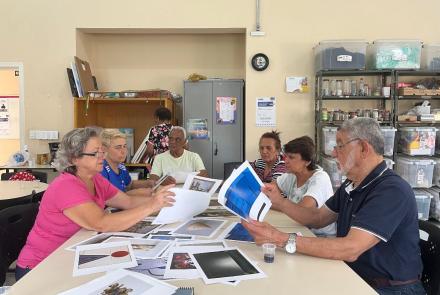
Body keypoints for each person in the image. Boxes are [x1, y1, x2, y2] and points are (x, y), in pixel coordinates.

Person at [243, 118, 425, 295]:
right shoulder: (351, 184)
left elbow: (350, 248)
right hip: (354, 274)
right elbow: (317, 218)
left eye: (340, 145)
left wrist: (278, 238)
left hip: (390, 288)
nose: (333, 153)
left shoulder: (391, 190)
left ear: (363, 148)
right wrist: (281, 202)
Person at [15, 127, 175, 281]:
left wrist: (167, 200)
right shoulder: (66, 186)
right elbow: (101, 223)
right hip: (42, 267)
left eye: (102, 152)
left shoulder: (94, 178)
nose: (102, 157)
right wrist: (151, 205)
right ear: (74, 158)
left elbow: (128, 201)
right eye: (95, 153)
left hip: (73, 255)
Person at [266, 136, 335, 236]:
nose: (286, 161)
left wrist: (276, 202)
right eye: (286, 156)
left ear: (307, 161)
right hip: (298, 229)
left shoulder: (320, 179)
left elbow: (302, 211)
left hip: (320, 236)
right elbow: (267, 191)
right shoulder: (292, 175)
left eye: (291, 157)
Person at [101, 129, 154, 196]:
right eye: (118, 147)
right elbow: (108, 199)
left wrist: (148, 183)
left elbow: (129, 185)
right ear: (104, 149)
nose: (123, 151)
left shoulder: (121, 166)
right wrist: (137, 193)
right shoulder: (100, 169)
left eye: (124, 146)